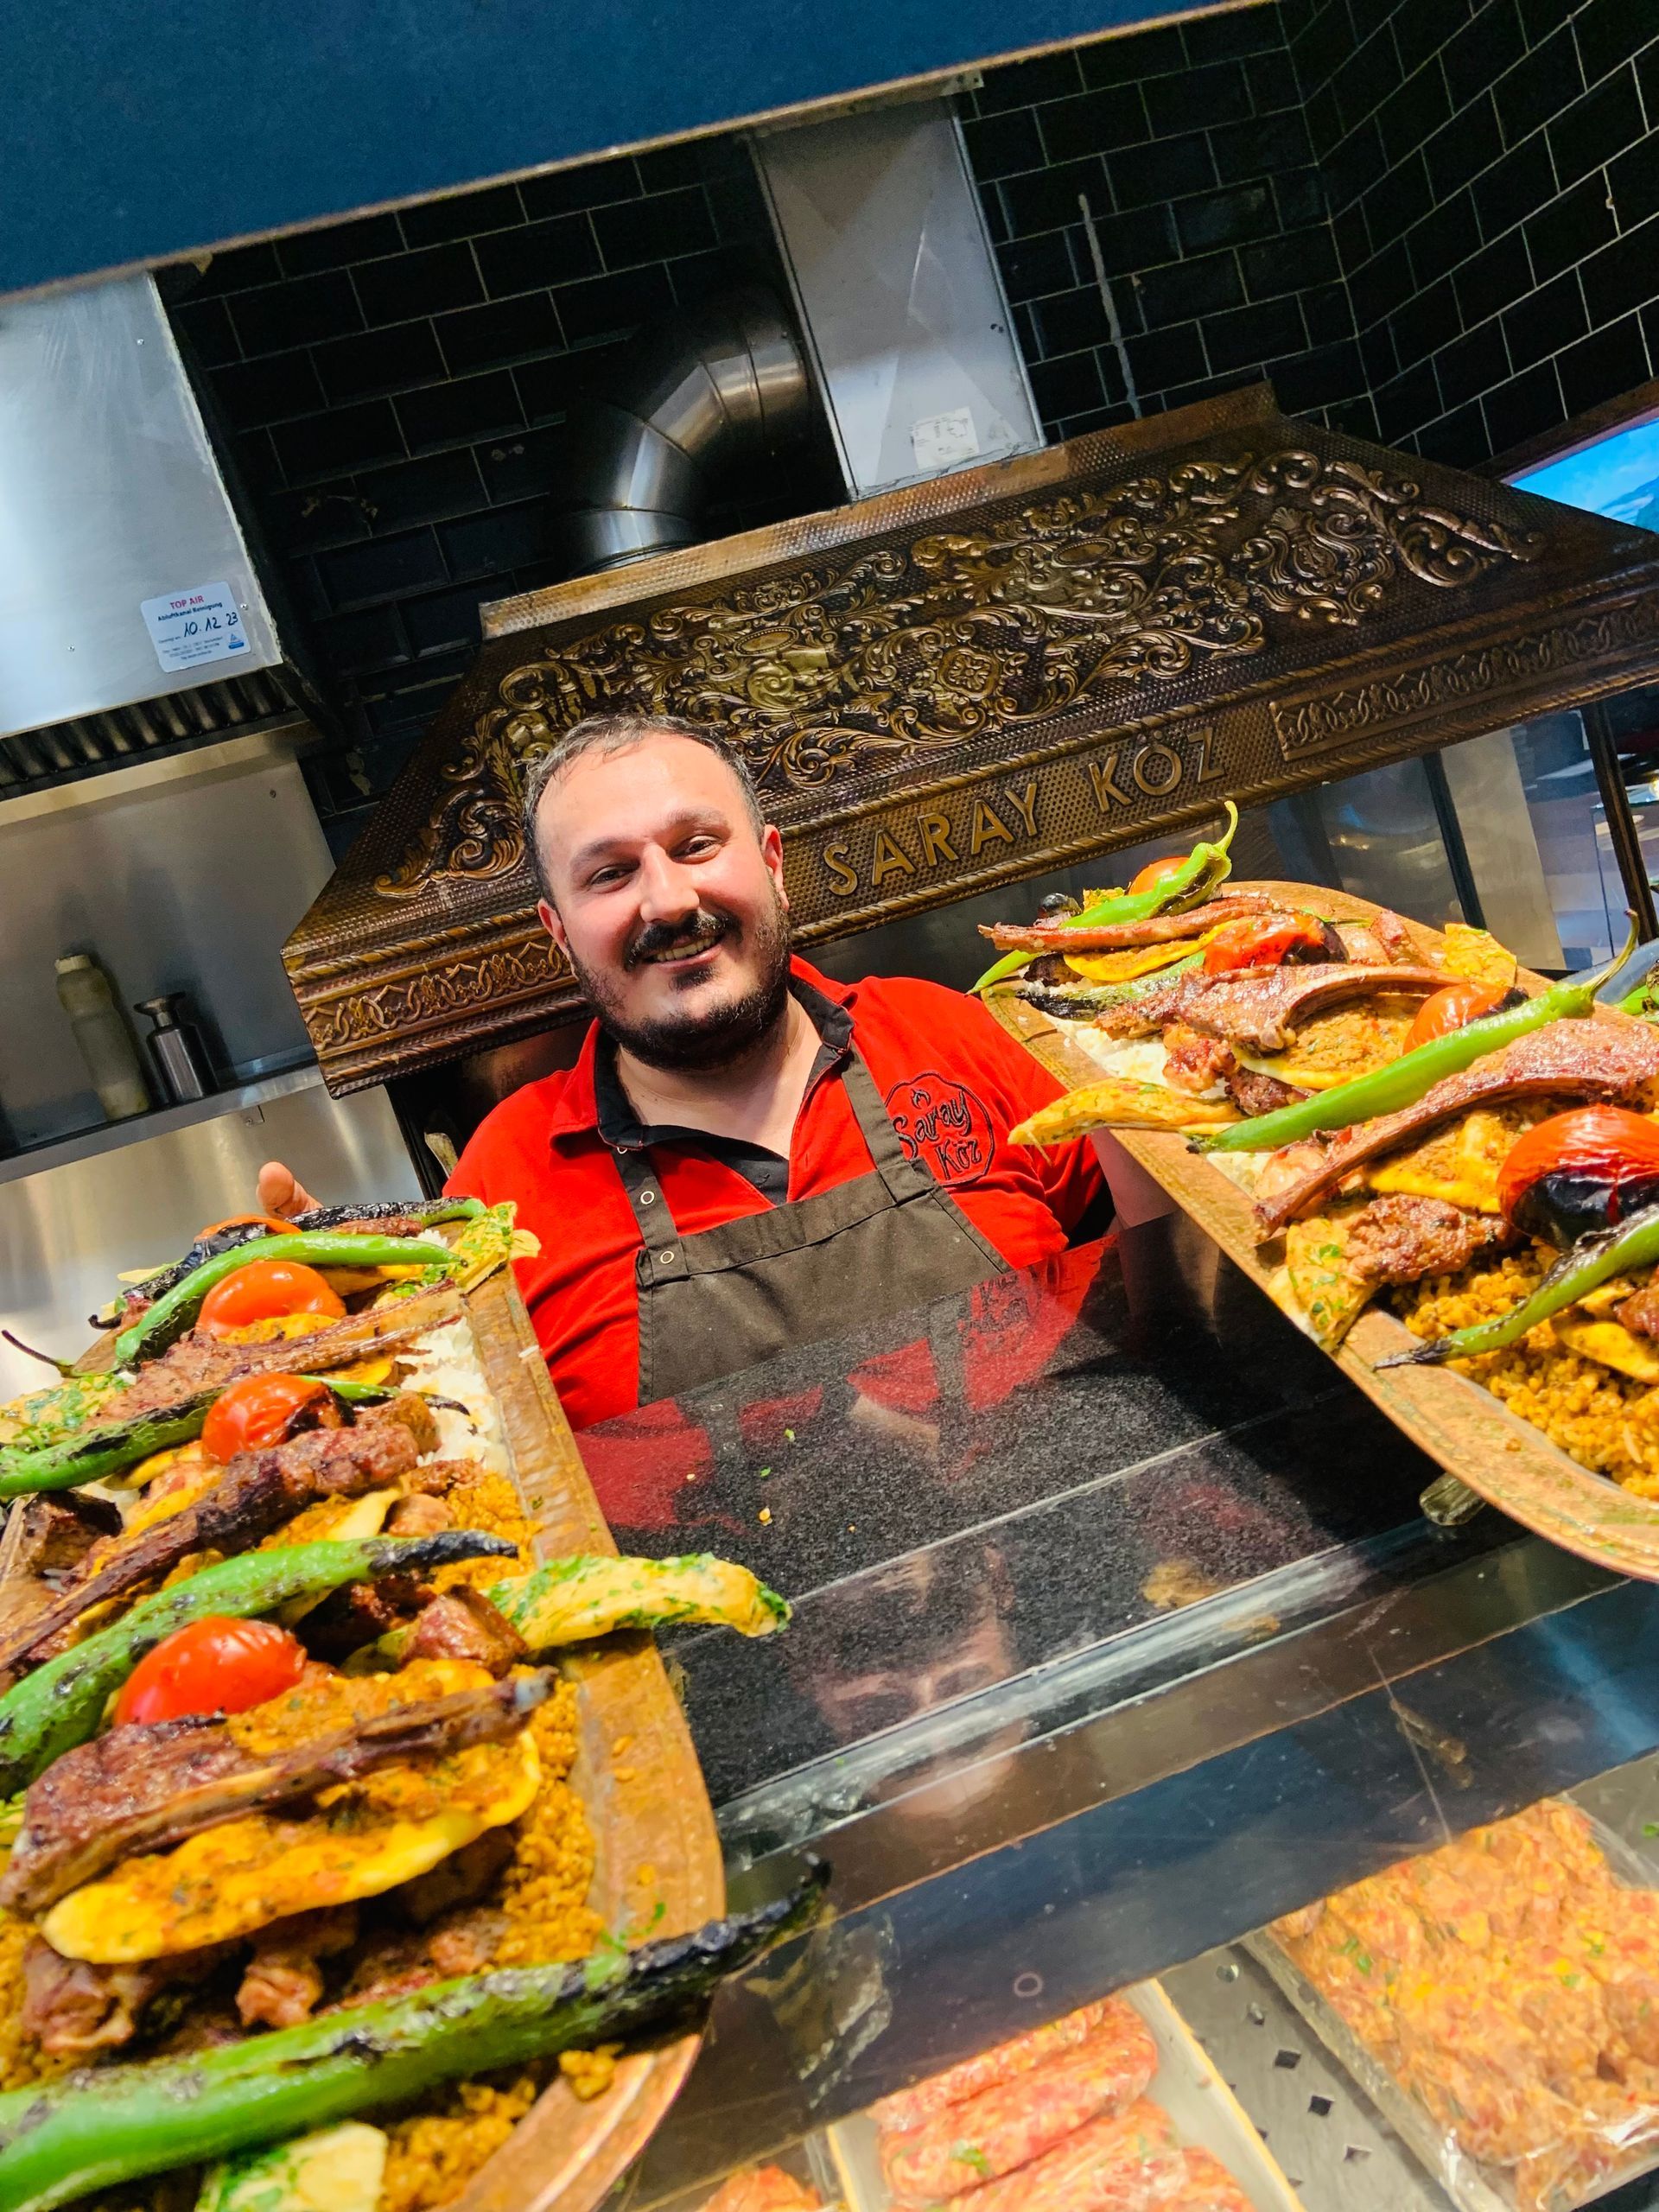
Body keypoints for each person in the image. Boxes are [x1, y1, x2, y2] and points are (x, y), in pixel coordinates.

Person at [261, 713, 1103, 1428]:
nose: (665, 901)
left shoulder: (944, 1034)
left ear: (772, 865)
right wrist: (349, 1348)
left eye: (695, 845)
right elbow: (466, 1439)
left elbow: (1164, 1256)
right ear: (560, 933)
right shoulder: (503, 1186)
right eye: (610, 873)